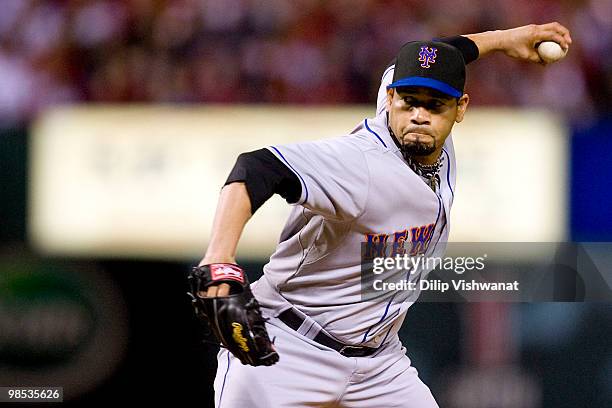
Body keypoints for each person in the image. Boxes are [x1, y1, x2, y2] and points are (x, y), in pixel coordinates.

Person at [193, 23, 572, 408]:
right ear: (390, 99)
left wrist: (507, 39)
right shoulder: (360, 163)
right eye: (410, 101)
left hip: (379, 366)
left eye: (435, 103)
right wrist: (218, 259)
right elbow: (256, 168)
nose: (420, 114)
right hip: (287, 349)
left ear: (461, 108)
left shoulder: (425, 135)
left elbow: (443, 52)